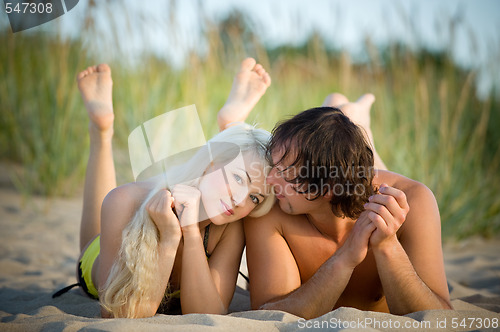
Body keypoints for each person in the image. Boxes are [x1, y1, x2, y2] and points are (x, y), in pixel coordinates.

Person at [64, 58, 275, 318]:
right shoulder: (126, 201)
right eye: (239, 179)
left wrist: (190, 233)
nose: (241, 201)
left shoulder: (230, 226)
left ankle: (232, 127)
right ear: (209, 162)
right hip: (102, 254)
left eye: (255, 197)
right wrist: (168, 240)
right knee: (93, 237)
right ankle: (102, 129)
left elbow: (208, 313)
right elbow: (118, 315)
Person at [244, 93, 453, 319]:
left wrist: (386, 244)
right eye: (272, 165)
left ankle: (358, 121)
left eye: (284, 172)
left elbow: (438, 317)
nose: (269, 179)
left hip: (360, 185)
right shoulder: (271, 206)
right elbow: (267, 313)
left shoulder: (414, 199)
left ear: (327, 188)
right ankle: (347, 115)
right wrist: (345, 259)